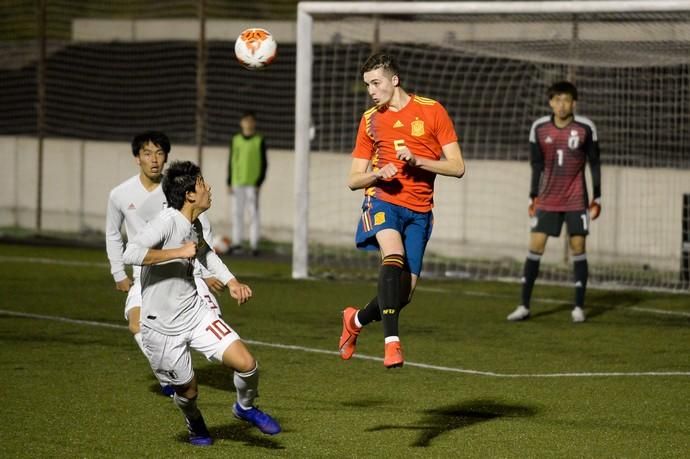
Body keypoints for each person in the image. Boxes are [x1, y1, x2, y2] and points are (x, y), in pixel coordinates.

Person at [122, 160, 281, 445]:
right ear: (189, 195)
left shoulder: (192, 223)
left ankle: (244, 408)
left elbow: (205, 253)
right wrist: (176, 252)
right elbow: (131, 252)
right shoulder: (166, 222)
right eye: (202, 183)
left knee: (247, 363)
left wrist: (232, 282)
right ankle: (194, 421)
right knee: (188, 392)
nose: (208, 188)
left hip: (196, 315)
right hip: (161, 329)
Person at [338, 53, 465, 368]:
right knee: (392, 257)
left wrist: (417, 161)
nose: (371, 90)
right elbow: (354, 179)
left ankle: (354, 321)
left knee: (403, 295)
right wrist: (377, 174)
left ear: (394, 80)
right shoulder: (370, 120)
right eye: (367, 84)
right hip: (383, 200)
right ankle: (392, 344)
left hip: (420, 210)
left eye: (376, 83)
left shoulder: (432, 111)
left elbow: (458, 167)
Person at [105, 131, 224, 397]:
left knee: (208, 325)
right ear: (137, 158)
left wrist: (205, 272)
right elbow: (113, 233)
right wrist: (117, 272)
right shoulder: (120, 194)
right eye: (148, 153)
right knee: (136, 325)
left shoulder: (178, 188)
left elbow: (200, 228)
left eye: (160, 153)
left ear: (166, 157)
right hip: (144, 272)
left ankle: (187, 367)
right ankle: (168, 376)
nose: (154, 160)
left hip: (184, 272)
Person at [507, 81, 601, 323]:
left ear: (574, 103)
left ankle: (578, 307)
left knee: (578, 248)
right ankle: (523, 305)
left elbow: (594, 163)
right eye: (557, 99)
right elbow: (536, 165)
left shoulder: (585, 128)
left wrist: (597, 197)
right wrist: (532, 195)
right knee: (535, 247)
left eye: (566, 100)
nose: (561, 105)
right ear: (550, 102)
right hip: (547, 199)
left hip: (576, 199)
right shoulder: (539, 128)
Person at [227, 111, 267, 256]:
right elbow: (231, 161)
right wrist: (229, 181)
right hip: (237, 183)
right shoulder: (236, 139)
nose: (248, 124)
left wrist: (259, 181)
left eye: (251, 121)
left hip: (252, 184)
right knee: (237, 213)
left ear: (254, 123)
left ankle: (254, 245)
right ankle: (237, 243)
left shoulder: (259, 140)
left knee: (253, 214)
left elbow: (264, 163)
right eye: (246, 121)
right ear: (241, 123)